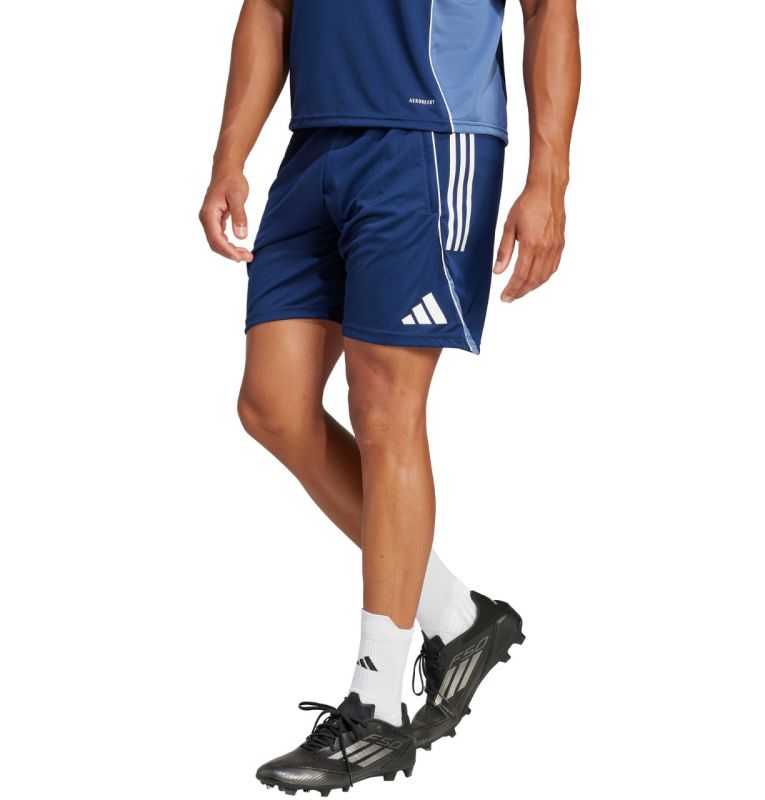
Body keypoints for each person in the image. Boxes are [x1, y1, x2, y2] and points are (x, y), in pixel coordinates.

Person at [199, 0, 580, 793]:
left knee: (383, 406)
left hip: (428, 137)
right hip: (317, 144)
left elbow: (550, 9)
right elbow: (269, 6)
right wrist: (230, 155)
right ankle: (458, 619)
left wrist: (549, 179)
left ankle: (376, 708)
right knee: (271, 408)